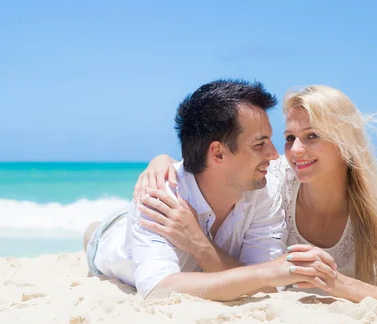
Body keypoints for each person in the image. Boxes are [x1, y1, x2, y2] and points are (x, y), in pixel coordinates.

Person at [133, 85, 377, 303]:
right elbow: (214, 167)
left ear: (345, 142)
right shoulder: (274, 183)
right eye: (290, 138)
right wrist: (161, 161)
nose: (292, 152)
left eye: (312, 136)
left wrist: (337, 283)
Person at [83, 79, 339, 301]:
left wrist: (199, 244)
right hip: (110, 242)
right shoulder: (159, 197)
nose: (274, 155)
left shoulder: (263, 190)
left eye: (272, 141)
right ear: (218, 152)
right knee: (95, 235)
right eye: (260, 144)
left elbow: (267, 286)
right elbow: (158, 291)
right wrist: (268, 272)